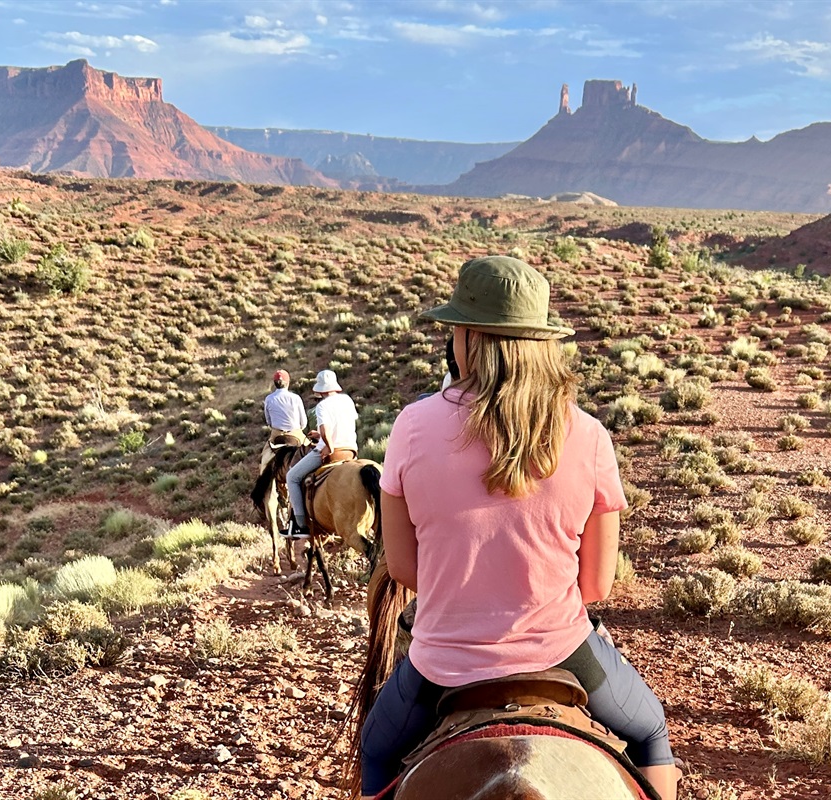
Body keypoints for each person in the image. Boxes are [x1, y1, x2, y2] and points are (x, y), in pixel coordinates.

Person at [358, 256, 679, 800]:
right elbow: (597, 585)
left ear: (467, 338)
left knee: (376, 750)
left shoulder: (412, 426)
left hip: (442, 663)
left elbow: (406, 568)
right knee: (650, 734)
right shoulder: (590, 434)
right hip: (561, 650)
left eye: (455, 328)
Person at [283, 369, 359, 540]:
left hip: (332, 452)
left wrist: (328, 446)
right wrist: (320, 435)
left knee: (292, 476)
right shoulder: (347, 400)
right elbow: (345, 423)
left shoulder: (322, 406)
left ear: (320, 389)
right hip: (350, 450)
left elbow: (326, 429)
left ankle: (300, 525)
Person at [261, 369, 307, 472]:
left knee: (264, 457)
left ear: (274, 383)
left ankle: (265, 483)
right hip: (295, 434)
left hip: (276, 434)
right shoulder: (295, 398)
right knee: (311, 452)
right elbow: (303, 423)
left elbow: (268, 421)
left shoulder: (269, 399)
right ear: (288, 382)